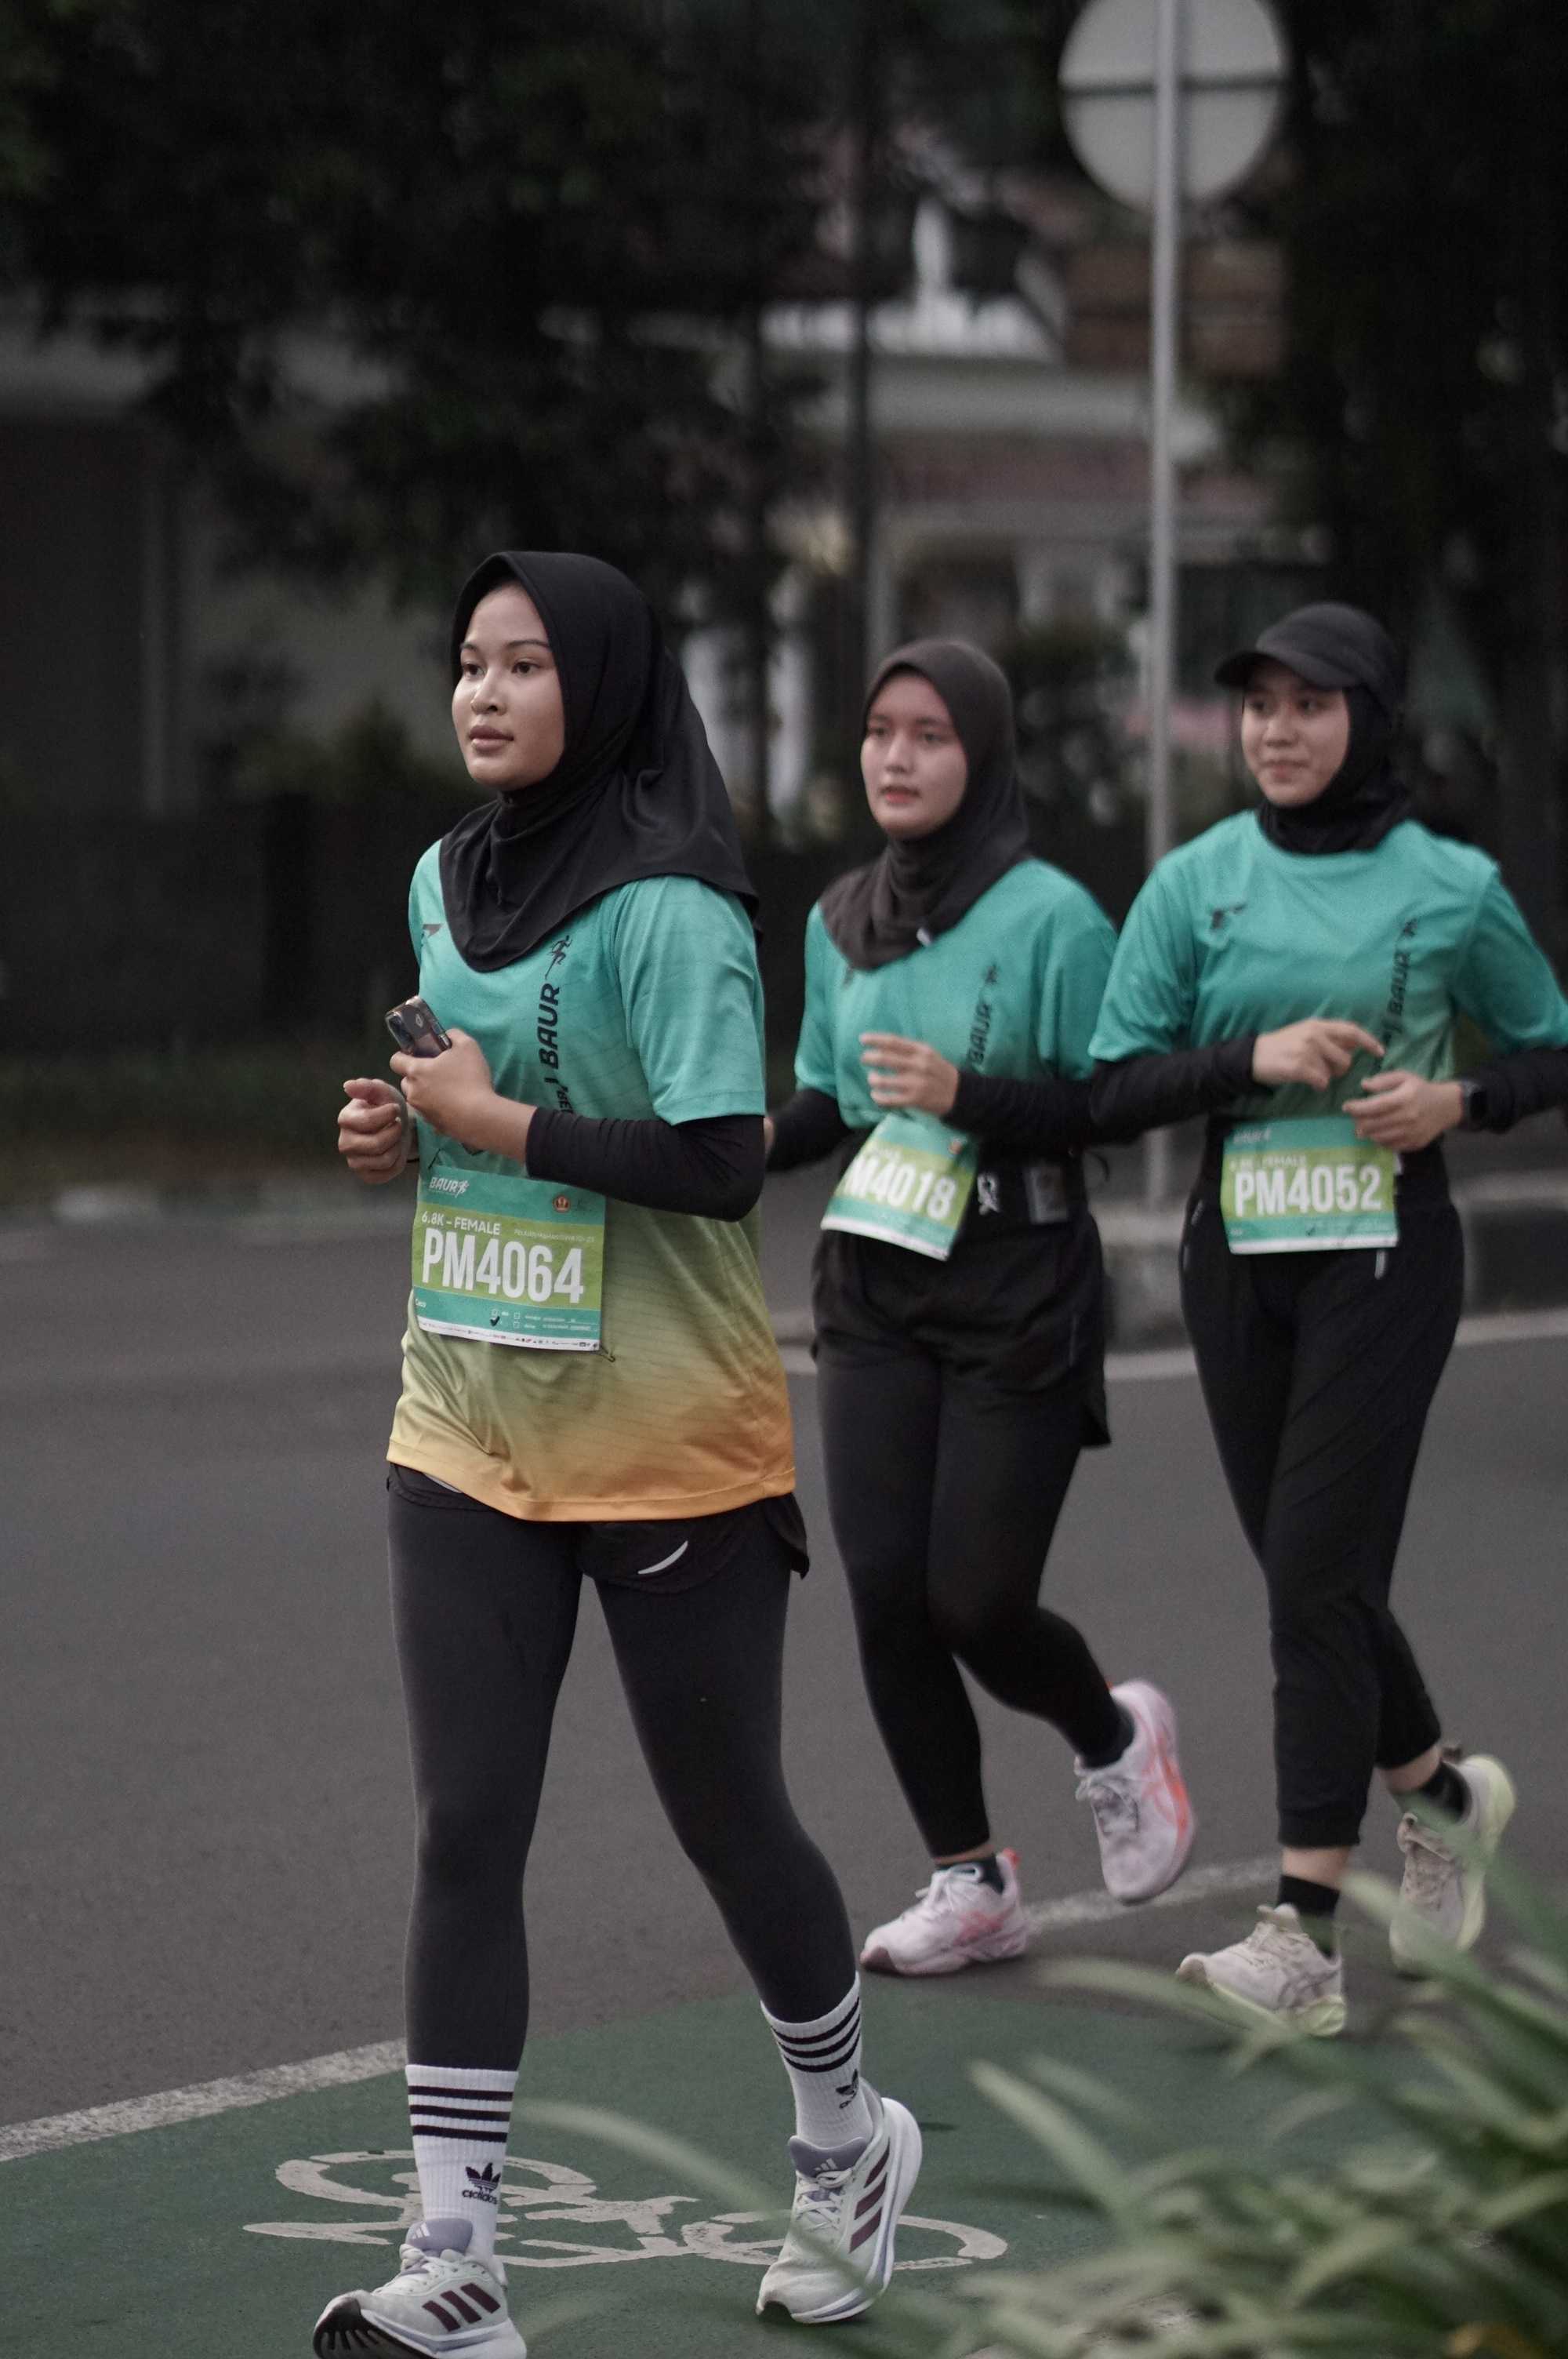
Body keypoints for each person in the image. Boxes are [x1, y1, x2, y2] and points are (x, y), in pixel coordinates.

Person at [315, 552, 920, 2356]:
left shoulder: (678, 908)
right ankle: (456, 2257)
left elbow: (723, 1162)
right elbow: (461, 1112)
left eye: (523, 663)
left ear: (603, 683)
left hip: (670, 1443)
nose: (483, 693)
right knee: (464, 1826)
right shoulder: (442, 876)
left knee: (729, 1819)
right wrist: (405, 1140)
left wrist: (494, 1118)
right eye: (466, 661)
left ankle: (846, 2142)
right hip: (464, 1419)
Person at [1089, 601, 1568, 2034]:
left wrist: (1458, 1100)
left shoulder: (1451, 885)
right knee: (1323, 1578)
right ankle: (1442, 1797)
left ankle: (1302, 1938)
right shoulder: (1194, 882)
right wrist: (1251, 1057)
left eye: (1310, 704)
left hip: (1387, 1255)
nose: (1278, 731)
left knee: (1311, 1577)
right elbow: (1112, 1084)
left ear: (1370, 718)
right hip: (1237, 1253)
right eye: (1259, 706)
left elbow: (1551, 1048)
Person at [765, 638, 1194, 1982]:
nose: (895, 758)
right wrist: (725, 1149)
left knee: (979, 1601)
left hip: (1020, 1280)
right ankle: (972, 1880)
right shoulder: (841, 920)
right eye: (879, 733)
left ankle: (1115, 1737)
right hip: (875, 1281)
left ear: (984, 753)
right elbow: (829, 1103)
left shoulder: (1055, 917)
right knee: (887, 1600)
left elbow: (1115, 1100)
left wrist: (972, 1097)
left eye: (930, 736)